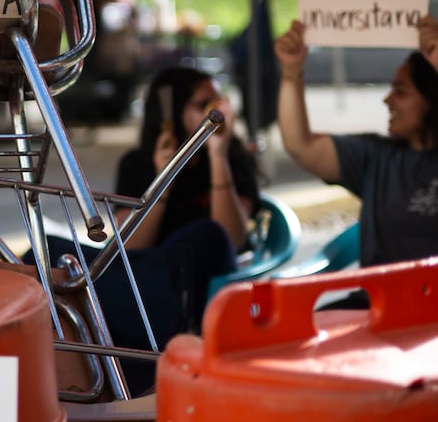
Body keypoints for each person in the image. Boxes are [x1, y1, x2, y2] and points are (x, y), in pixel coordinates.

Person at [274, 17, 438, 285]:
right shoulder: (376, 156)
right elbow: (301, 146)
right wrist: (291, 72)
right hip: (378, 305)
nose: (387, 100)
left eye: (401, 92)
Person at [114, 64, 261, 322]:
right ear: (172, 112)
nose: (215, 112)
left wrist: (218, 157)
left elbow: (230, 239)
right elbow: (129, 247)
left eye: (218, 102)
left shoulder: (235, 157)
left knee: (207, 235)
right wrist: (165, 178)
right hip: (155, 283)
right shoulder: (137, 164)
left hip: (212, 281)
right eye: (203, 104)